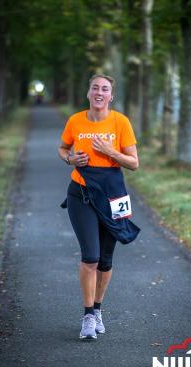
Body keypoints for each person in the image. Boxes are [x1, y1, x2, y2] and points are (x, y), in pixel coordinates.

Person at [58, 73, 140, 340]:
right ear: (89, 92)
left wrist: (110, 152)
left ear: (110, 96)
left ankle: (98, 309)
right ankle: (88, 316)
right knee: (90, 256)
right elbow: (62, 148)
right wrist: (70, 158)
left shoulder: (120, 122)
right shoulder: (76, 120)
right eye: (95, 88)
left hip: (112, 195)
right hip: (80, 193)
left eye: (105, 89)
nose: (99, 92)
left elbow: (133, 163)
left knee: (105, 260)